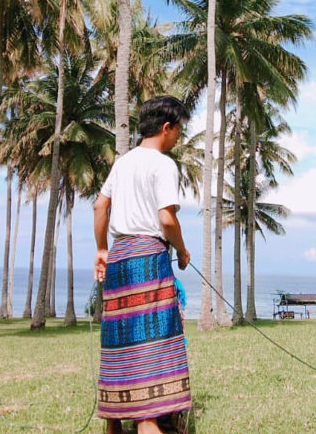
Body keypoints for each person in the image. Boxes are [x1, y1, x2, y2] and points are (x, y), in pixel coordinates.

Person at [93, 95, 193, 434]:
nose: (178, 137)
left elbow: (99, 207)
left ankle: (113, 423)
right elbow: (166, 219)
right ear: (166, 129)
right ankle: (149, 420)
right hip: (149, 258)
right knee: (154, 341)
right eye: (178, 131)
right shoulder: (163, 164)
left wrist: (102, 249)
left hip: (120, 257)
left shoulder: (123, 163)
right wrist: (181, 250)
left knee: (120, 339)